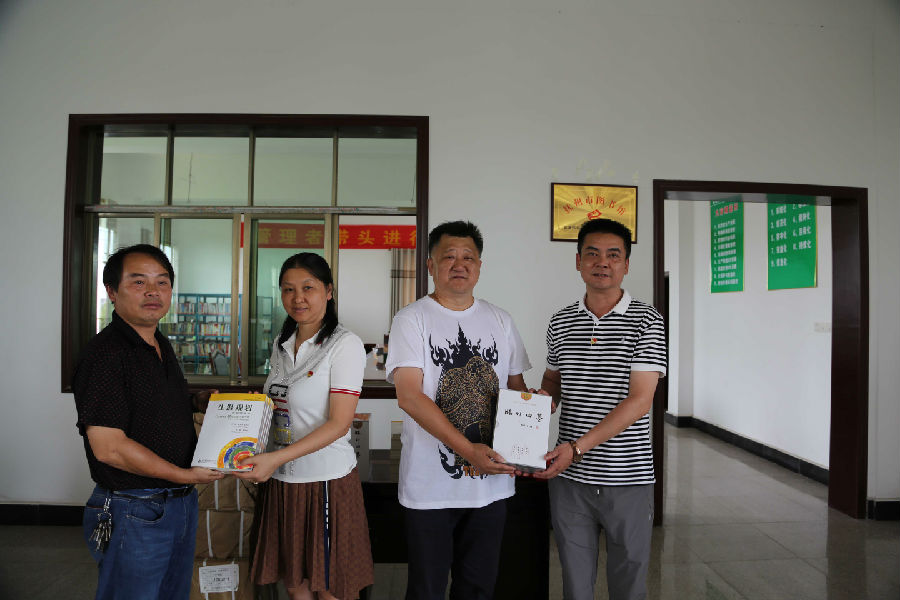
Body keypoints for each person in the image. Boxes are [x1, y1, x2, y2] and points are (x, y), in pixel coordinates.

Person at [385, 220, 532, 600]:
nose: (459, 264)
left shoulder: (501, 320)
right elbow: (410, 396)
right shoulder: (411, 319)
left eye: (468, 257)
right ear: (430, 265)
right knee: (427, 590)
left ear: (479, 266)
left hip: (492, 485)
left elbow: (516, 392)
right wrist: (469, 451)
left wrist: (534, 414)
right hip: (429, 487)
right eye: (449, 256)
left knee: (478, 588)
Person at [73, 244, 225, 600]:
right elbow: (109, 449)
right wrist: (184, 475)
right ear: (112, 291)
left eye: (162, 282)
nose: (153, 291)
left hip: (177, 503)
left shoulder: (159, 343)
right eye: (138, 282)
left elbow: (150, 405)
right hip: (134, 507)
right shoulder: (106, 354)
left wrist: (196, 401)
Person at [534, 218, 667, 600]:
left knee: (628, 583)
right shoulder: (561, 321)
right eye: (592, 253)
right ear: (578, 261)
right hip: (569, 479)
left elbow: (640, 400)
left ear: (626, 264)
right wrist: (537, 404)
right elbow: (553, 381)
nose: (602, 262)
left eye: (613, 255)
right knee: (575, 585)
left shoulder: (647, 320)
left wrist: (577, 448)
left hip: (627, 476)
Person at [235, 252, 374, 600]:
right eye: (288, 289)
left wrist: (274, 459)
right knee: (295, 583)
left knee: (329, 589)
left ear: (328, 291)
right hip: (282, 479)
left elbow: (339, 424)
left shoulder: (344, 345)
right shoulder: (282, 344)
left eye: (308, 288)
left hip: (325, 480)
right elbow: (279, 404)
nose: (297, 298)